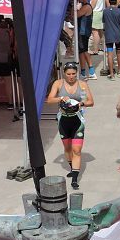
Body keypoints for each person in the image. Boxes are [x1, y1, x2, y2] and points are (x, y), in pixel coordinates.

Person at [44, 62, 94, 190]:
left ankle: (75, 179)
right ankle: (72, 166)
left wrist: (80, 104)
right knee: (67, 148)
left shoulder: (82, 85)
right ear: (64, 73)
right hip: (63, 120)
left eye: (73, 74)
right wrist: (61, 98)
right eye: (68, 74)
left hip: (78, 120)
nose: (71, 77)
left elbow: (90, 101)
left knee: (76, 150)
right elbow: (49, 100)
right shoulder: (58, 84)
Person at [103, 0, 120, 79]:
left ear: (109, 1)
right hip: (118, 35)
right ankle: (119, 71)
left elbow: (104, 22)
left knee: (109, 54)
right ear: (117, 1)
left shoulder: (105, 11)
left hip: (109, 34)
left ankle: (112, 74)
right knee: (119, 52)